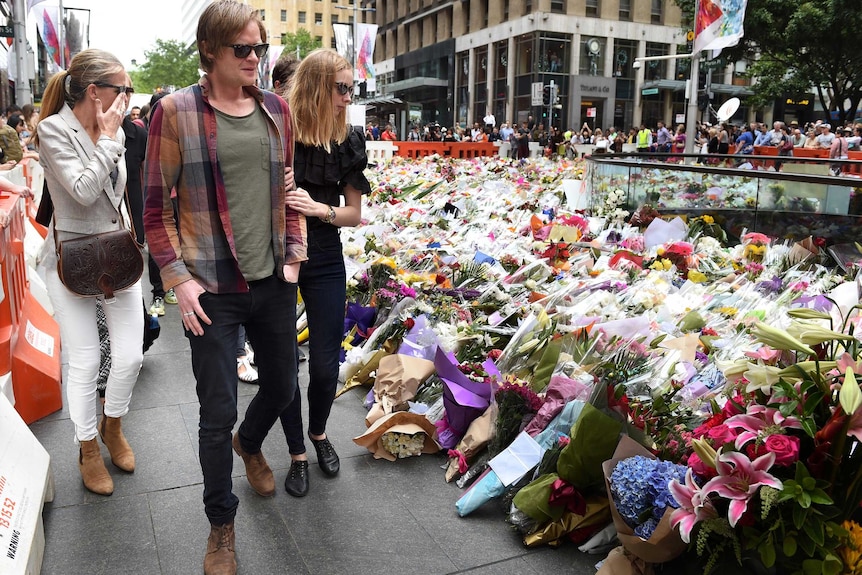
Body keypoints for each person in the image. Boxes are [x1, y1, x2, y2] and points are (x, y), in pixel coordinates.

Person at [142, 2, 307, 573]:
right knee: (215, 415)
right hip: (211, 286)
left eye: (259, 47)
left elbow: (289, 190)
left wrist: (294, 256)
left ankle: (253, 441)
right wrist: (177, 280)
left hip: (273, 281)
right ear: (211, 52)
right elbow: (156, 211)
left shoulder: (276, 110)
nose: (256, 57)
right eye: (244, 49)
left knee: (284, 387)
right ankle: (221, 523)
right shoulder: (175, 112)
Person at [35, 49, 144, 497]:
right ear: (96, 92)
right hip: (72, 261)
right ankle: (87, 449)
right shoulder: (51, 129)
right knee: (84, 360)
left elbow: (119, 194)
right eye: (123, 89)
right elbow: (81, 191)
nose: (128, 98)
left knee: (132, 355)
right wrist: (110, 140)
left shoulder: (117, 129)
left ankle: (112, 424)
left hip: (117, 253)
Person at [277, 48, 371, 498]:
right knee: (282, 365)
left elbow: (355, 214)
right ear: (316, 86)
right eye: (341, 88)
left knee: (324, 364)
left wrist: (319, 209)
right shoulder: (280, 131)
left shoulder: (349, 139)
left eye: (352, 88)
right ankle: (297, 453)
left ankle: (318, 432)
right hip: (278, 254)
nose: (348, 97)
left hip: (327, 254)